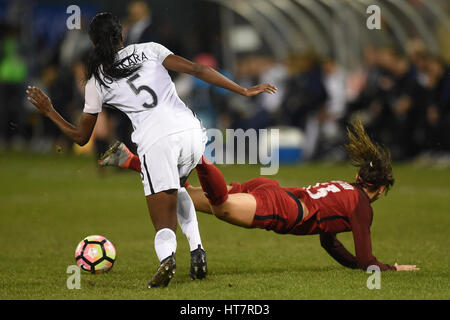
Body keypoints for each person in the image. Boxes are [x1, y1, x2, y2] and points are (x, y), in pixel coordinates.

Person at [26, 12, 277, 288]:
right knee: (180, 188)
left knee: (163, 221)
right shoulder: (150, 49)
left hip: (157, 142)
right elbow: (197, 70)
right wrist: (242, 90)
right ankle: (197, 251)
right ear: (121, 36)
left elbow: (81, 137)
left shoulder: (96, 80)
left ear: (94, 43)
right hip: (192, 133)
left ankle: (167, 259)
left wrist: (49, 111)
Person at [100, 119, 418, 272]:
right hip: (282, 207)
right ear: (377, 189)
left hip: (271, 191)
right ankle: (198, 155)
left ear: (359, 177)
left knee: (184, 192)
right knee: (221, 205)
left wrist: (355, 265)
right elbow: (367, 260)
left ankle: (129, 160)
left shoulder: (345, 189)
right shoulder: (361, 205)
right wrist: (389, 268)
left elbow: (328, 241)